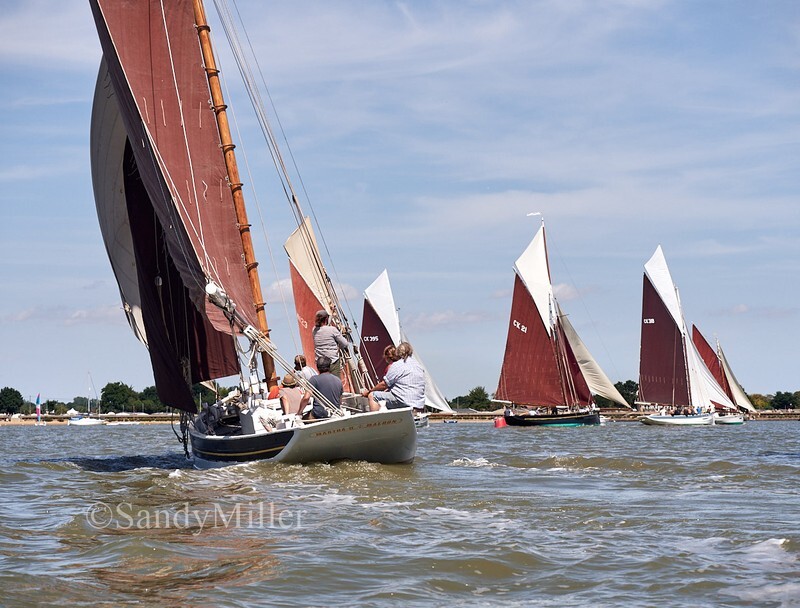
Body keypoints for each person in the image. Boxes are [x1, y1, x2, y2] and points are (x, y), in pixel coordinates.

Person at [360, 342, 425, 412]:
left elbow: (384, 385)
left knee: (373, 396)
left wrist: (369, 392)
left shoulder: (397, 365)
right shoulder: (418, 366)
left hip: (403, 401)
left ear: (398, 353)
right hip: (419, 404)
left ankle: (377, 421)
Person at [298, 355, 340, 420]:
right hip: (335, 413)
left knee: (304, 419)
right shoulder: (338, 380)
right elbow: (340, 400)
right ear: (329, 367)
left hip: (319, 414)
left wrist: (299, 412)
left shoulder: (314, 380)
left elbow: (306, 398)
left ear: (317, 367)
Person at [312, 310, 349, 377]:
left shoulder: (314, 330)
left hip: (320, 363)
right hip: (332, 361)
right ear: (326, 319)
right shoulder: (332, 330)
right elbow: (345, 343)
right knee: (335, 382)